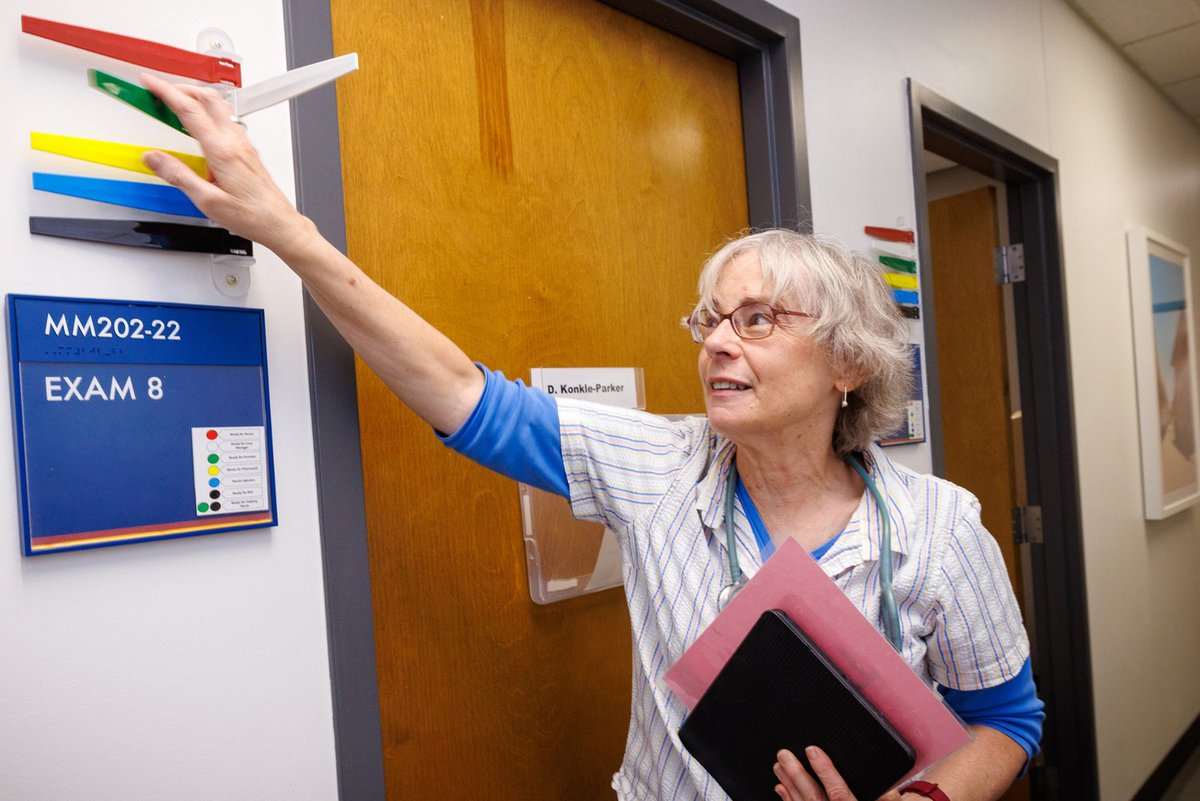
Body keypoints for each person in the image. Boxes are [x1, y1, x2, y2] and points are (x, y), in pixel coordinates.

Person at [141, 75, 1043, 801]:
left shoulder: (940, 527)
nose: (719, 340)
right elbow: (461, 391)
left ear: (849, 363)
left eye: (759, 319)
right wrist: (286, 232)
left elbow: (1006, 719)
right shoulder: (658, 465)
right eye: (712, 318)